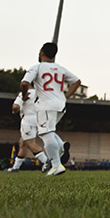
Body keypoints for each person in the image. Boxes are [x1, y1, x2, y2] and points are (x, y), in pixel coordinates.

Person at [21, 42, 81, 176]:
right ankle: (61, 145)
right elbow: (77, 81)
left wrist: (24, 95)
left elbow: (24, 83)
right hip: (60, 104)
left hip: (46, 104)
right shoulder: (60, 68)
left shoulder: (37, 67)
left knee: (45, 134)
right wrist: (66, 96)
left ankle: (56, 165)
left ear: (41, 52)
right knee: (49, 130)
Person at [4, 85, 50, 173]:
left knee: (30, 143)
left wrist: (14, 111)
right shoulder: (40, 93)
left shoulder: (23, 94)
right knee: (23, 144)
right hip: (39, 119)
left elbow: (15, 107)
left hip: (28, 120)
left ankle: (46, 161)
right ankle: (15, 167)